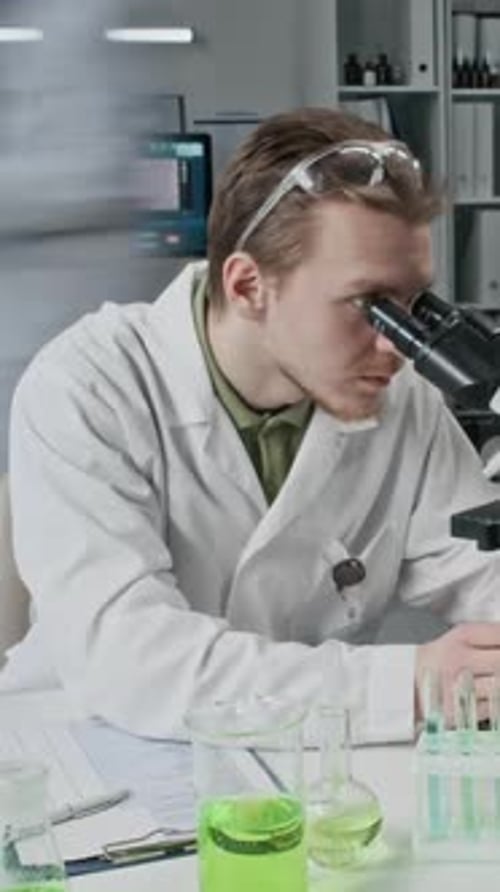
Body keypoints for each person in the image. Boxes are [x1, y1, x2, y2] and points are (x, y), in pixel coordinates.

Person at [4, 106, 500, 745]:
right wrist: (408, 684)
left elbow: (477, 567)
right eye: (367, 305)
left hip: (299, 769)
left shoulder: (401, 399)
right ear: (247, 286)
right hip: (91, 762)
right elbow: (133, 660)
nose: (398, 346)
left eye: (411, 307)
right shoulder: (89, 386)